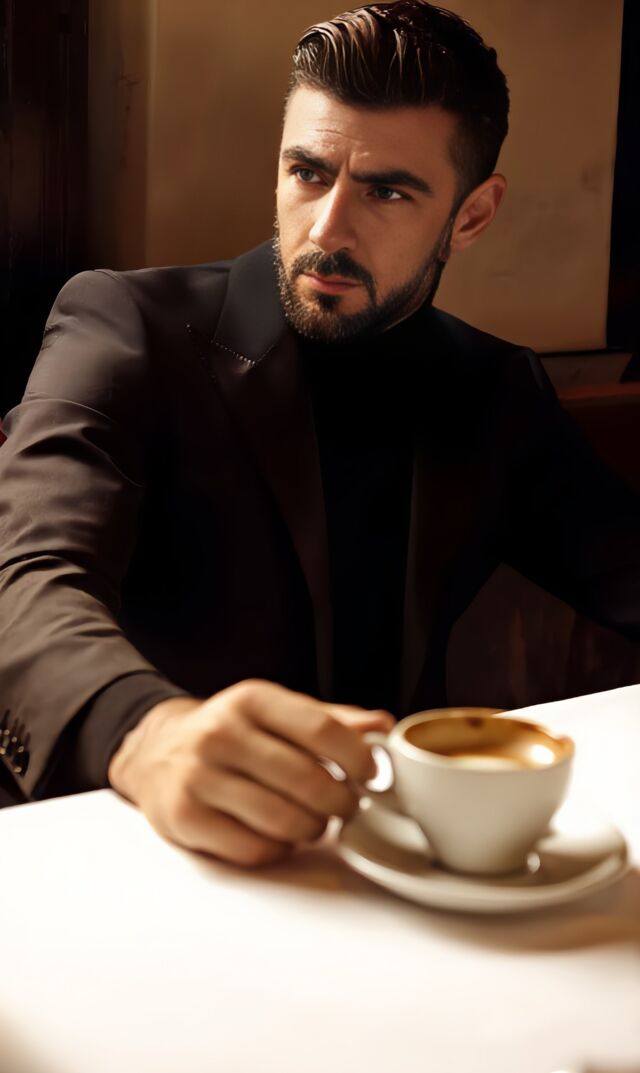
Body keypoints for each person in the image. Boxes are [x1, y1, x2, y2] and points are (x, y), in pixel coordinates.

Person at [0, 1, 638, 860]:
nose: (328, 228)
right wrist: (144, 733)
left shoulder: (497, 387)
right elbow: (24, 578)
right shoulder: (125, 325)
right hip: (145, 845)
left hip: (404, 860)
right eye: (307, 172)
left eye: (386, 191)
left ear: (473, 215)